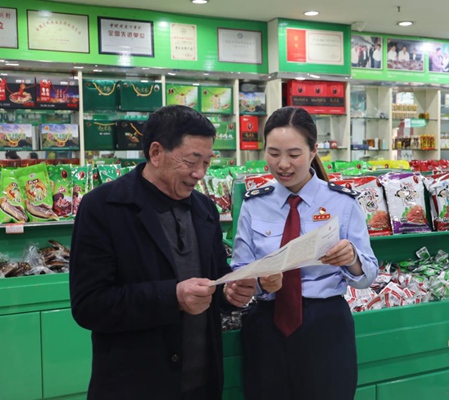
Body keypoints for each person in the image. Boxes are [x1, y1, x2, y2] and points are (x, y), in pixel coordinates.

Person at [69, 105, 256, 400]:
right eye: (192, 160)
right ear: (156, 153)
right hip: (134, 386)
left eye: (207, 162)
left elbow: (216, 281)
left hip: (202, 383)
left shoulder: (205, 209)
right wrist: (173, 297)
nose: (199, 173)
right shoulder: (104, 207)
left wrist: (231, 292)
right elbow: (89, 306)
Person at [231, 106, 379, 400]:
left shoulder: (342, 202)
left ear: (313, 151)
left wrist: (351, 258)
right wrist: (260, 282)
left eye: (294, 154)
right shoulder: (254, 203)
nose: (283, 164)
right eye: (274, 153)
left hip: (326, 327)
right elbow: (239, 270)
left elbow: (368, 276)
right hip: (267, 327)